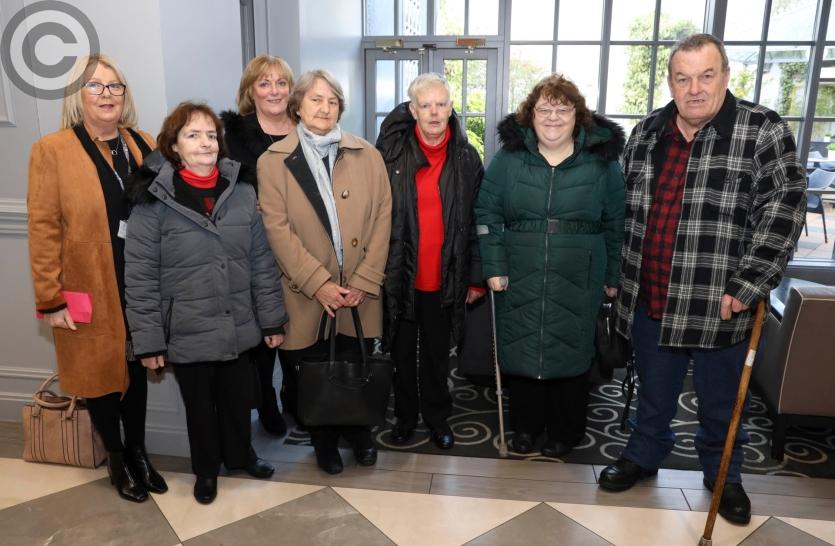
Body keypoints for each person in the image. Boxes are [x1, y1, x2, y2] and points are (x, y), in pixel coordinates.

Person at [599, 34, 806, 525]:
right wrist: (616, 275)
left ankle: (723, 474)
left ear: (726, 76)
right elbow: (623, 209)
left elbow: (784, 210)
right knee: (653, 393)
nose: (694, 89)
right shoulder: (647, 132)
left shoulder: (761, 130)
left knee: (721, 402)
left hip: (721, 304)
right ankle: (644, 453)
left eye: (706, 76)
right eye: (683, 78)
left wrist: (749, 283)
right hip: (651, 295)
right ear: (671, 82)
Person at [124, 102, 288, 504]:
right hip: (186, 325)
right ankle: (207, 471)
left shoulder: (241, 191)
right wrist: (148, 341)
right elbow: (140, 276)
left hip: (238, 321)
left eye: (211, 135)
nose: (205, 143)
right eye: (193, 135)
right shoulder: (153, 200)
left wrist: (271, 320)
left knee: (238, 399)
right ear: (174, 146)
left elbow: (261, 261)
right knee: (199, 407)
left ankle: (241, 455)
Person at [27, 54, 167, 503]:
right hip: (88, 283)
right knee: (99, 375)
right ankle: (117, 457)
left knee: (137, 367)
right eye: (95, 86)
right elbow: (43, 228)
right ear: (78, 95)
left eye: (114, 86)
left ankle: (139, 452)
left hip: (140, 281)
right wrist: (50, 299)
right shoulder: (52, 150)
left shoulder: (144, 143)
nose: (107, 94)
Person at [476, 74, 625, 458]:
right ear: (531, 115)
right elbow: (486, 214)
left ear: (578, 115)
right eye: (545, 109)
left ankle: (566, 430)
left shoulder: (602, 163)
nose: (553, 117)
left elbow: (616, 223)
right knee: (522, 348)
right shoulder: (508, 160)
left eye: (563, 109)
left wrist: (613, 276)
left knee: (572, 352)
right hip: (518, 270)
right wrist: (493, 266)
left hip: (580, 275)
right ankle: (525, 428)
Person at [257, 70, 392, 475]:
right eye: (316, 99)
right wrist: (319, 284)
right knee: (314, 371)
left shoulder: (368, 155)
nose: (325, 108)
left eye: (333, 101)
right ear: (298, 106)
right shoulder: (273, 161)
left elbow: (384, 217)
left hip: (358, 290)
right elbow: (277, 230)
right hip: (305, 292)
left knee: (356, 362)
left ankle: (360, 434)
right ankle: (324, 442)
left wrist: (364, 279)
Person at [376, 73, 484, 450]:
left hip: (446, 277)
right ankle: (405, 418)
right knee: (401, 354)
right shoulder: (391, 154)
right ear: (412, 110)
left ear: (451, 108)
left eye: (441, 104)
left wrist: (475, 277)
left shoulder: (467, 158)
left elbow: (478, 221)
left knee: (438, 356)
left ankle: (438, 418)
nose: (434, 112)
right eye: (426, 105)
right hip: (400, 274)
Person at [221, 54, 296, 436]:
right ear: (251, 91)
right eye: (264, 83)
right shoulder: (232, 137)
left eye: (281, 83)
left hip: (302, 244)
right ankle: (267, 400)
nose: (274, 91)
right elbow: (221, 189)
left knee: (301, 328)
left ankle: (295, 395)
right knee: (265, 334)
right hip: (256, 246)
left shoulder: (307, 127)